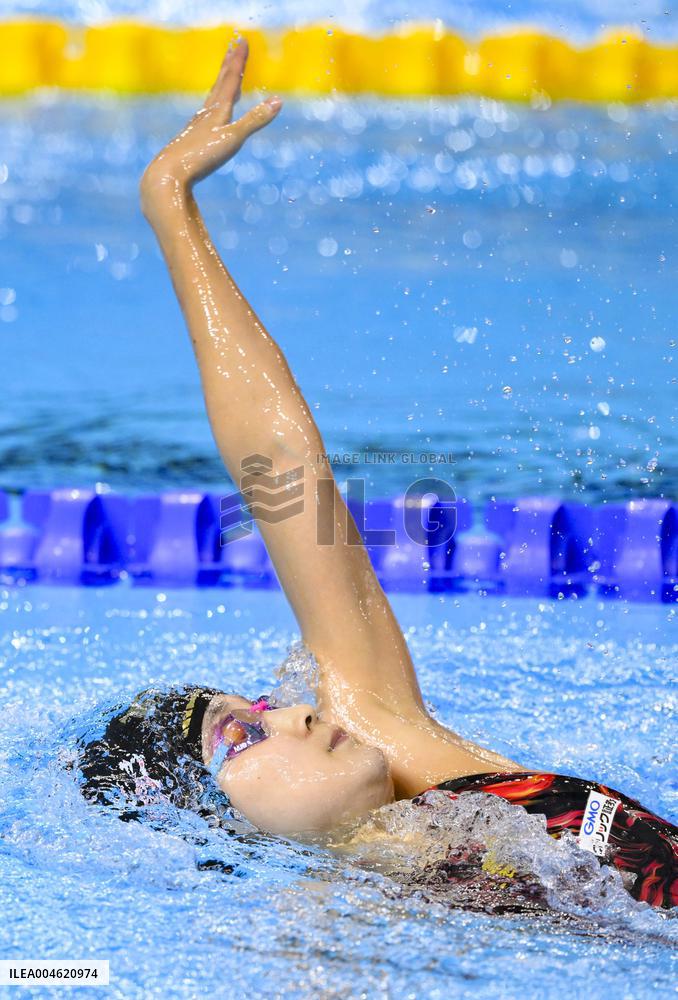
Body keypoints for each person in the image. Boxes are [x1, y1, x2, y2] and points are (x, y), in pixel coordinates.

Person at [78, 37, 677, 911]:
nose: (296, 712)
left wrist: (169, 206)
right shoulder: (324, 931)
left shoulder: (398, 744)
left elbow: (282, 464)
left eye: (257, 708)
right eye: (241, 739)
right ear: (215, 823)